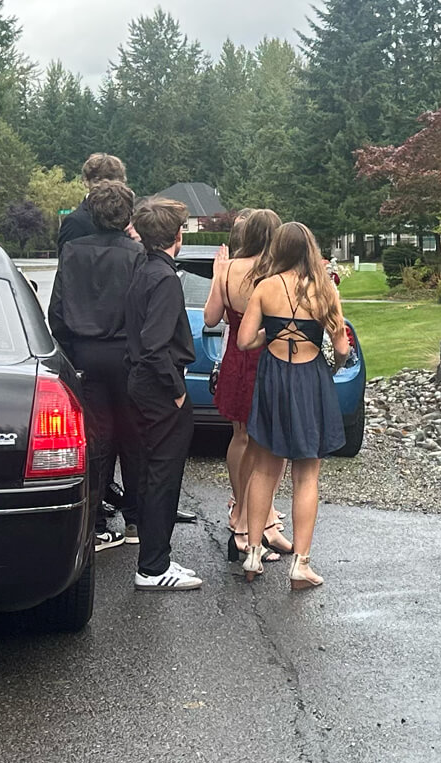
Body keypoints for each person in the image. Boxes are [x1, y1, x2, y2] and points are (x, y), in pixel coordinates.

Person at [237, 222, 351, 589]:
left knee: (265, 470)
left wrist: (267, 335)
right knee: (306, 475)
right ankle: (300, 564)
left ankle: (253, 553)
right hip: (310, 379)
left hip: (273, 379)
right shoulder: (325, 290)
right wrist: (332, 363)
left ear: (279, 249)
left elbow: (242, 341)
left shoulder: (265, 287)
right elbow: (344, 347)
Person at [48, 180, 145, 551]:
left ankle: (96, 520)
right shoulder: (137, 255)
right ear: (127, 216)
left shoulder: (72, 251)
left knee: (94, 438)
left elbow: (57, 309)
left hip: (84, 354)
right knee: (133, 438)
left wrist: (69, 351)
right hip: (125, 356)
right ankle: (135, 518)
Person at [202, 209, 294, 563]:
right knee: (269, 446)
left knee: (240, 437)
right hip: (266, 357)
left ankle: (250, 517)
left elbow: (211, 318)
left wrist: (217, 278)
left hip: (235, 360)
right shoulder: (275, 274)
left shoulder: (228, 270)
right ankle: (253, 523)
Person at [124, 197, 202, 591]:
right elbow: (155, 345)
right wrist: (175, 392)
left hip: (142, 382)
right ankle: (153, 567)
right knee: (162, 476)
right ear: (176, 236)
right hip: (159, 387)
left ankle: (157, 559)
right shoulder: (166, 279)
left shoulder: (144, 268)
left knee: (153, 471)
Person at [57, 153, 128, 254]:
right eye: (97, 180)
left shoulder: (132, 218)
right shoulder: (75, 222)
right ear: (86, 181)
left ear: (123, 182)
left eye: (112, 180)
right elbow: (66, 265)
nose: (105, 185)